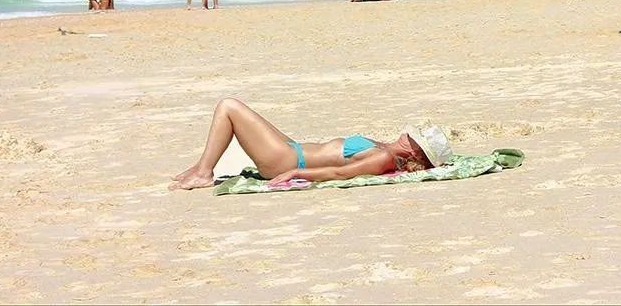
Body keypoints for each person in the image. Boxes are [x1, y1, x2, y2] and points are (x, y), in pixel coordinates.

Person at [170, 97, 451, 190]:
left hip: (288, 161)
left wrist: (297, 174)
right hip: (293, 149)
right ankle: (200, 166)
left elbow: (340, 174)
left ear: (415, 149)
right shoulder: (386, 149)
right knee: (236, 111)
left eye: (414, 137)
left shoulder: (384, 159)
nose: (408, 134)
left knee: (228, 107)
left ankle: (205, 173)